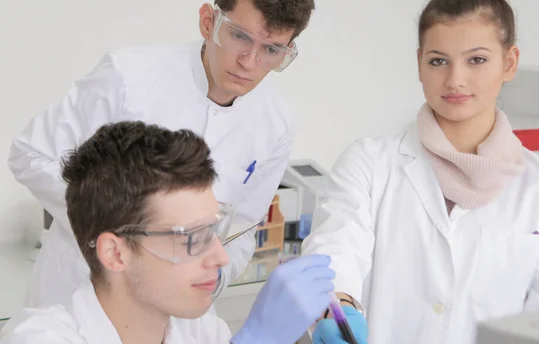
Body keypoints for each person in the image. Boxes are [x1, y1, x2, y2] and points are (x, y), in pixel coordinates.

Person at [302, 0, 539, 344]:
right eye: (438, 61)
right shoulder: (370, 164)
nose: (456, 79)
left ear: (510, 63)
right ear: (419, 65)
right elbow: (334, 253)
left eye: (477, 59)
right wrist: (338, 307)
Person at [7, 0, 315, 308]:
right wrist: (117, 231)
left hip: (175, 317)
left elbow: (243, 229)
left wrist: (208, 287)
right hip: (76, 295)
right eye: (240, 36)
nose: (249, 62)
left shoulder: (274, 125)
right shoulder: (128, 78)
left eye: (271, 50)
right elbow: (29, 154)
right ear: (207, 21)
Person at [0, 121, 335, 344]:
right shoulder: (41, 339)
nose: (220, 257)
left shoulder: (199, 328)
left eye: (214, 229)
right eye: (191, 238)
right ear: (116, 254)